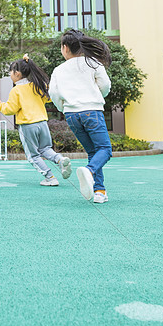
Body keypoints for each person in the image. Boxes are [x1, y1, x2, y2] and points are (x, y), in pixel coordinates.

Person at [49, 29, 113, 203]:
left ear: (65, 48)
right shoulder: (93, 63)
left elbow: (54, 93)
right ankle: (89, 171)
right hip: (92, 111)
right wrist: (97, 97)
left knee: (93, 151)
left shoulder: (58, 70)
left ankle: (99, 192)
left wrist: (63, 108)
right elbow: (105, 85)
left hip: (71, 115)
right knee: (105, 150)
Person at [0, 54, 72, 186]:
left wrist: (0, 104)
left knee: (33, 156)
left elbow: (11, 109)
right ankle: (60, 159)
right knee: (46, 148)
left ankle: (50, 177)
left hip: (27, 125)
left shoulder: (16, 90)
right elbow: (47, 98)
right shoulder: (36, 86)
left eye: (10, 73)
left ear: (17, 74)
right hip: (42, 123)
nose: (10, 76)